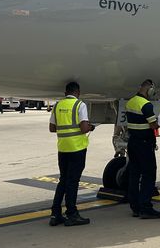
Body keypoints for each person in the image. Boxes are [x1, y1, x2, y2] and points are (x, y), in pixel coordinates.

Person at [49, 82, 93, 227]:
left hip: (62, 149)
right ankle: (72, 214)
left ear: (65, 92)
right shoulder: (80, 105)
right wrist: (90, 127)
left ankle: (55, 214)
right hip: (77, 148)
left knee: (63, 180)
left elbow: (52, 128)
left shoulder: (57, 105)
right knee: (73, 182)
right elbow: (84, 128)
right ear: (78, 92)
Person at [125, 79, 160, 219]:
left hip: (132, 142)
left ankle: (135, 207)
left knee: (134, 174)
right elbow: (153, 125)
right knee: (149, 174)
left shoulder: (130, 102)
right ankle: (146, 207)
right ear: (150, 90)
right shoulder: (146, 105)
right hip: (144, 144)